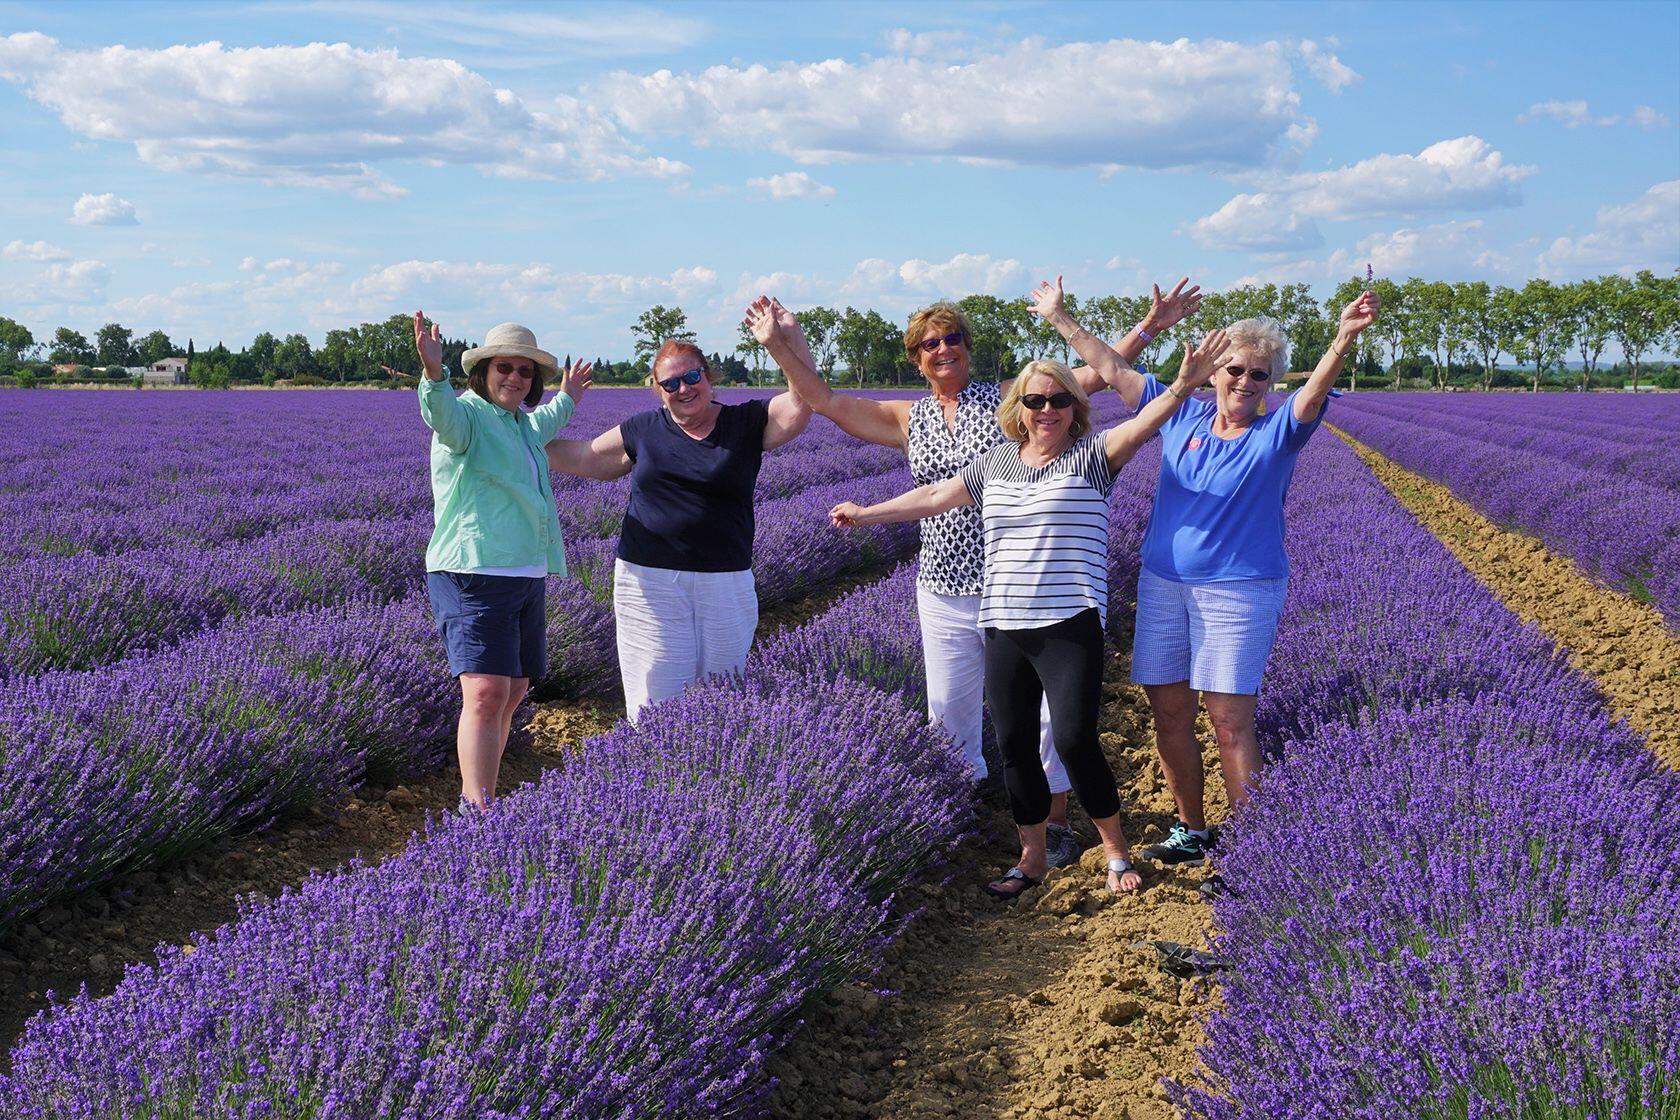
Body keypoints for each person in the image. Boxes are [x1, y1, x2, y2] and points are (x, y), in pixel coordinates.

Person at [757, 283, 1202, 869]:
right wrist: (779, 345)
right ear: (916, 357)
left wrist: (1150, 325)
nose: (945, 349)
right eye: (931, 343)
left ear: (969, 346)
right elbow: (822, 397)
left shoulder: (1005, 402)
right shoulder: (906, 417)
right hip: (943, 583)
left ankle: (1060, 824)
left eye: (955, 339)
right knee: (953, 712)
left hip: (1020, 581)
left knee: (1052, 722)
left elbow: (1081, 383)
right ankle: (965, 819)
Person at [829, 332, 1232, 897]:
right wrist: (866, 513)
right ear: (1017, 410)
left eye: (1059, 400)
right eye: (1035, 401)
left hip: (1069, 622)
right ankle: (1032, 858)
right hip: (1003, 623)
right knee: (1015, 745)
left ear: (1076, 408)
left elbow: (1146, 422)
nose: (1047, 411)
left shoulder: (1094, 458)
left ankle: (1115, 850)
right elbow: (936, 496)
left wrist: (1187, 385)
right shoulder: (995, 462)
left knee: (1073, 739)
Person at [1033, 287, 1381, 870]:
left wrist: (1343, 337)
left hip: (1240, 591)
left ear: (1272, 384)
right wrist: (1060, 318)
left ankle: (1253, 850)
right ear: (1214, 372)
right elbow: (1111, 367)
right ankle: (1191, 829)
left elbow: (1314, 392)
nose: (1246, 382)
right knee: (1168, 712)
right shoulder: (1184, 413)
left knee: (1228, 720)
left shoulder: (1279, 431)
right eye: (1236, 370)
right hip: (1164, 585)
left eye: (1260, 375)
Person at [545, 314, 814, 721]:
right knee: (655, 696)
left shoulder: (746, 422)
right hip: (649, 581)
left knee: (723, 694)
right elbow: (587, 458)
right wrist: (517, 435)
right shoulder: (644, 429)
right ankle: (652, 773)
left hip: (725, 580)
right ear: (658, 391)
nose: (683, 389)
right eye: (669, 384)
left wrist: (785, 341)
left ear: (709, 377)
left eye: (691, 377)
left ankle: (712, 778)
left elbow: (802, 400)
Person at [414, 313, 592, 813]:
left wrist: (570, 396)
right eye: (504, 367)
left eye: (524, 370)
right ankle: (478, 811)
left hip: (526, 571)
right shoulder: (468, 417)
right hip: (473, 569)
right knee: (486, 691)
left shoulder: (521, 425)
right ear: (483, 371)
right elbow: (441, 415)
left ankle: (486, 792)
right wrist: (433, 373)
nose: (514, 377)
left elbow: (545, 422)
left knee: (512, 690)